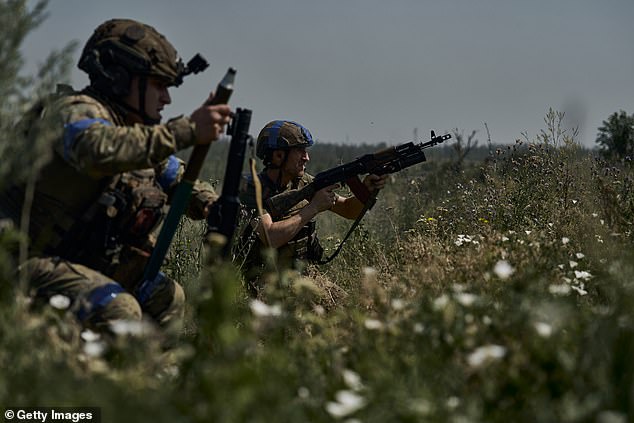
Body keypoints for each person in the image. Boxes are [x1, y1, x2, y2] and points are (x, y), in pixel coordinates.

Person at [0, 18, 232, 331]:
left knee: (167, 297)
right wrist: (186, 130)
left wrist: (209, 204)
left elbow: (175, 174)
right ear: (122, 78)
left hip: (80, 262)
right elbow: (98, 149)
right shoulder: (76, 111)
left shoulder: (136, 135)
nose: (167, 99)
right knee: (119, 309)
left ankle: (140, 376)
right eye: (159, 85)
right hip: (23, 262)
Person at [237, 120, 387, 295]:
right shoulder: (252, 189)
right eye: (300, 151)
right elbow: (271, 237)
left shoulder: (304, 182)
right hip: (266, 286)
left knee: (351, 311)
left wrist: (366, 190)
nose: (306, 157)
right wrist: (314, 207)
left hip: (305, 278)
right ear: (278, 156)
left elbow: (348, 209)